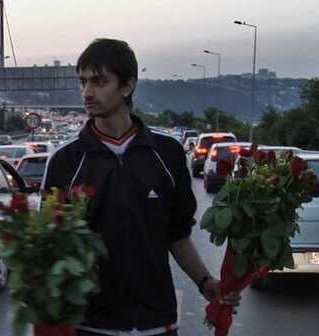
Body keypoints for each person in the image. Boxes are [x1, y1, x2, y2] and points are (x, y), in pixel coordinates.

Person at [41, 38, 240, 336]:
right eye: (82, 82)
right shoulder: (65, 161)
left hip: (157, 322)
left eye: (99, 81)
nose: (87, 92)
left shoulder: (168, 154)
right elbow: (50, 244)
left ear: (127, 86)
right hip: (91, 325)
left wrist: (205, 282)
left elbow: (177, 236)